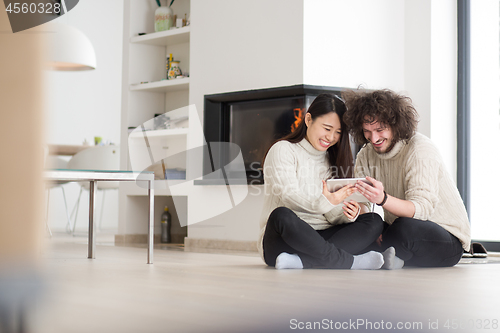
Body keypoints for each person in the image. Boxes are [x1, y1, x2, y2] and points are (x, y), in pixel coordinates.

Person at [258, 93, 393, 270]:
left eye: (338, 132)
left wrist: (346, 214)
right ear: (308, 119)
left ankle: (301, 261)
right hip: (286, 239)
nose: (331, 137)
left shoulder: (333, 159)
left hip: (322, 238)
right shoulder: (283, 150)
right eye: (327, 128)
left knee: (373, 221)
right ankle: (350, 261)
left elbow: (330, 214)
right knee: (281, 215)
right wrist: (328, 201)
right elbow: (289, 197)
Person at [342, 89, 471, 268]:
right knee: (361, 227)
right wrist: (364, 220)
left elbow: (422, 210)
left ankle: (387, 254)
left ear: (396, 124)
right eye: (367, 131)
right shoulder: (365, 154)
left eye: (380, 130)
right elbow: (363, 204)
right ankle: (392, 256)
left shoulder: (420, 148)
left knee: (403, 229)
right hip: (399, 228)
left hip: (446, 238)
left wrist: (383, 199)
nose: (374, 138)